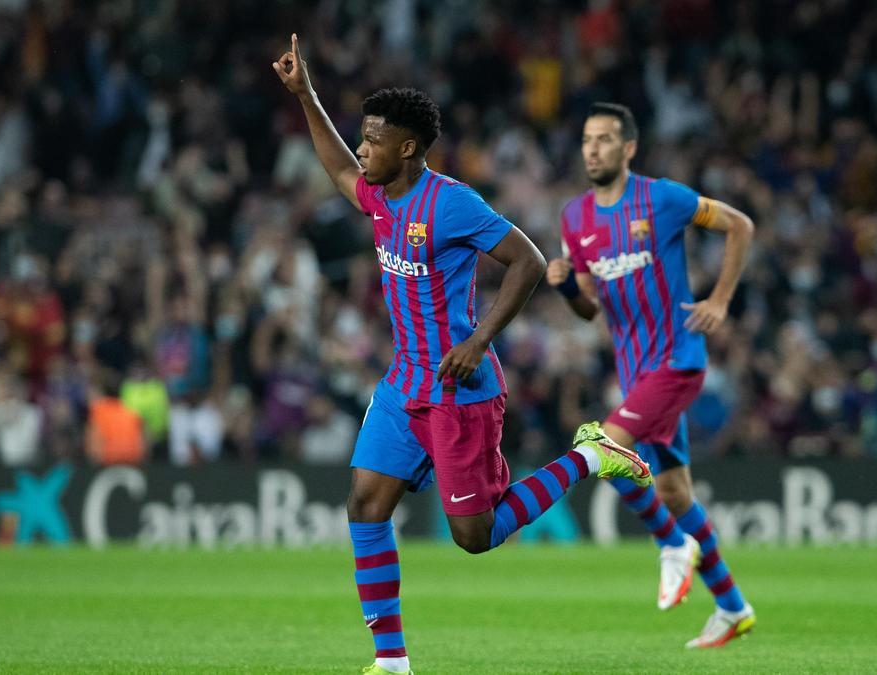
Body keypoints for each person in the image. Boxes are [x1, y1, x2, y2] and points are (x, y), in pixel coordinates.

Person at [274, 36, 652, 675]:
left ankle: (591, 455)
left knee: (474, 538)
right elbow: (338, 169)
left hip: (458, 388)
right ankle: (391, 661)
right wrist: (304, 93)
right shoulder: (379, 194)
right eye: (361, 136)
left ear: (408, 148)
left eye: (372, 138)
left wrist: (480, 340)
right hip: (404, 384)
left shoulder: (449, 203)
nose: (362, 147)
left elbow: (527, 260)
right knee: (366, 505)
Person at [547, 102, 756, 648]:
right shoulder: (575, 218)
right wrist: (568, 286)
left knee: (602, 449)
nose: (592, 148)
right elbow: (590, 310)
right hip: (636, 374)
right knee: (674, 489)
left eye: (605, 139)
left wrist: (721, 298)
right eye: (587, 139)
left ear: (629, 148)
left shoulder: (662, 198)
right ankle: (732, 606)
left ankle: (670, 544)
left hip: (677, 361)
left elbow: (740, 225)